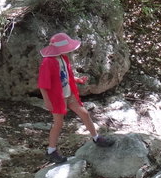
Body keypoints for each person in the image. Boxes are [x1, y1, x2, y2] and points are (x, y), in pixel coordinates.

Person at [38, 32, 114, 164]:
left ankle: (96, 137)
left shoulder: (63, 58)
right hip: (57, 97)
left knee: (84, 114)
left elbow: (65, 75)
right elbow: (43, 85)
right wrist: (47, 101)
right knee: (58, 123)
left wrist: (77, 79)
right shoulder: (48, 62)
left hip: (69, 93)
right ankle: (51, 150)